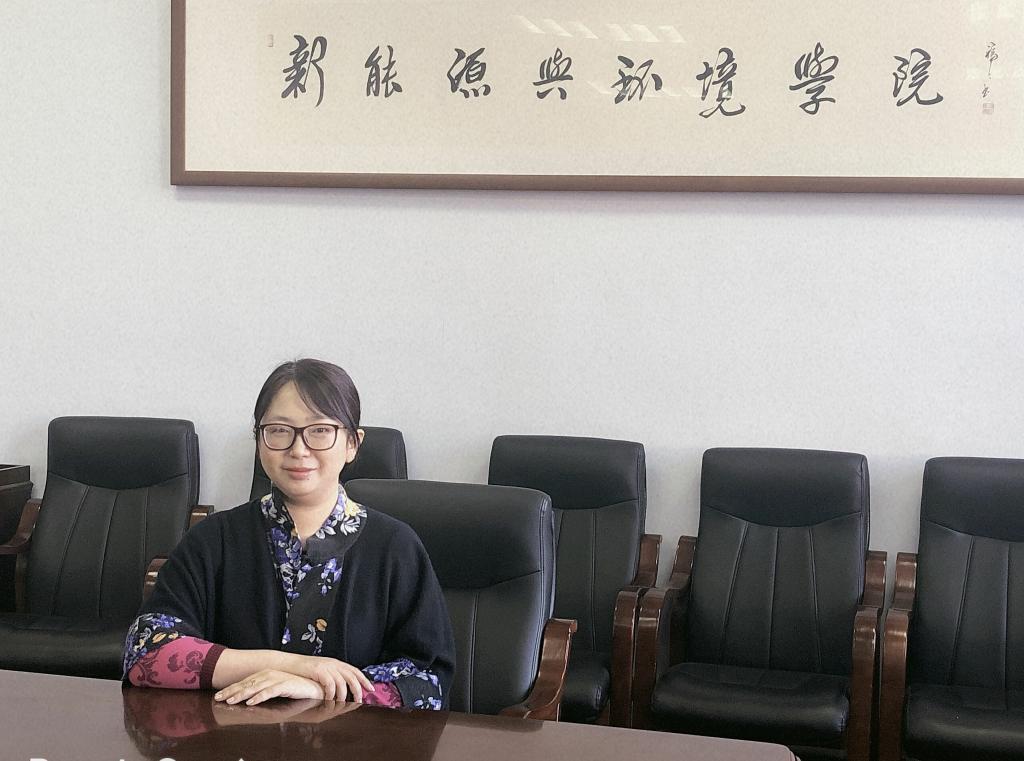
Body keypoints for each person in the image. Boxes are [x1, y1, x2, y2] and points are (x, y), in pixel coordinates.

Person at [123, 359, 455, 709]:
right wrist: (292, 665)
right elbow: (145, 654)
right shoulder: (212, 540)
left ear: (352, 443)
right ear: (259, 439)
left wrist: (317, 688)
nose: (298, 449)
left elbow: (428, 682)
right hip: (231, 734)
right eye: (279, 430)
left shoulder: (396, 548)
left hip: (352, 737)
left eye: (320, 430)